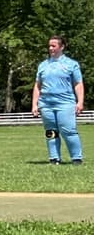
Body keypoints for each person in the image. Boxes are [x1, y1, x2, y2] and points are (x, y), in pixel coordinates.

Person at [32, 35, 84, 165]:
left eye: (53, 46)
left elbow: (78, 84)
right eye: (49, 46)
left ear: (62, 47)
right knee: (51, 131)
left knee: (68, 130)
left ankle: (76, 158)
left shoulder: (72, 64)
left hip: (65, 103)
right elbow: (37, 86)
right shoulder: (43, 65)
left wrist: (80, 102)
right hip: (46, 104)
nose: (50, 48)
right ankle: (54, 158)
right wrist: (35, 104)